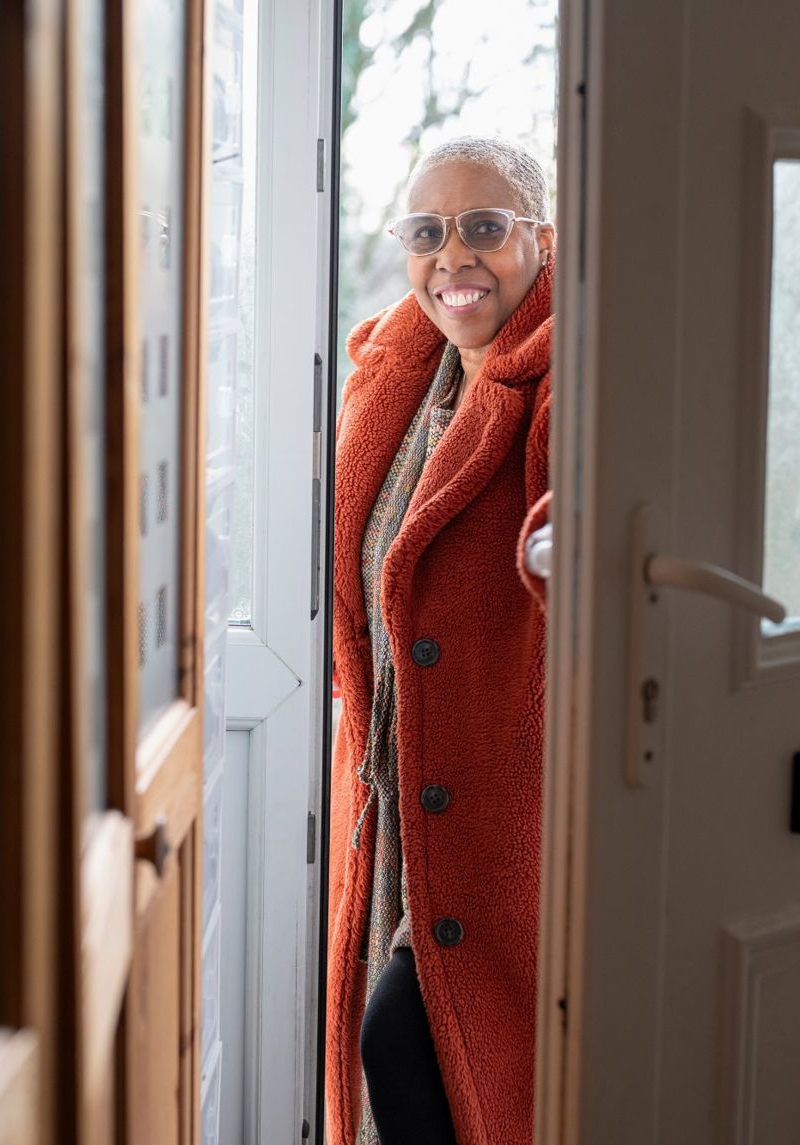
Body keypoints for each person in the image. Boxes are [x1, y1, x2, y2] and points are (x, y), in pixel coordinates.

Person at [326, 135, 555, 1145]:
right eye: (426, 233)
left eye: (485, 228)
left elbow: (578, 504)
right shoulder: (402, 381)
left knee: (415, 1045)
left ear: (542, 238)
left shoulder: (569, 376)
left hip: (501, 806)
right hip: (396, 794)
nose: (453, 256)